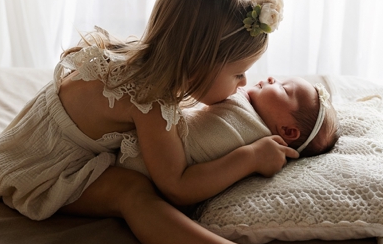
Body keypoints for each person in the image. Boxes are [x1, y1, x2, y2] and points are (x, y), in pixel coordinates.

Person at [0, 0, 327, 244]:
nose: (244, 85)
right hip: (41, 169)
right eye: (237, 74)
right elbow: (178, 185)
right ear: (198, 64)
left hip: (29, 141)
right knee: (133, 192)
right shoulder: (151, 101)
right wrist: (248, 157)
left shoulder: (139, 58)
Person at [118, 76, 340, 177]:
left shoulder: (249, 130)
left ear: (288, 131)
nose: (273, 78)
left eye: (283, 88)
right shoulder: (253, 116)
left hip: (143, 159)